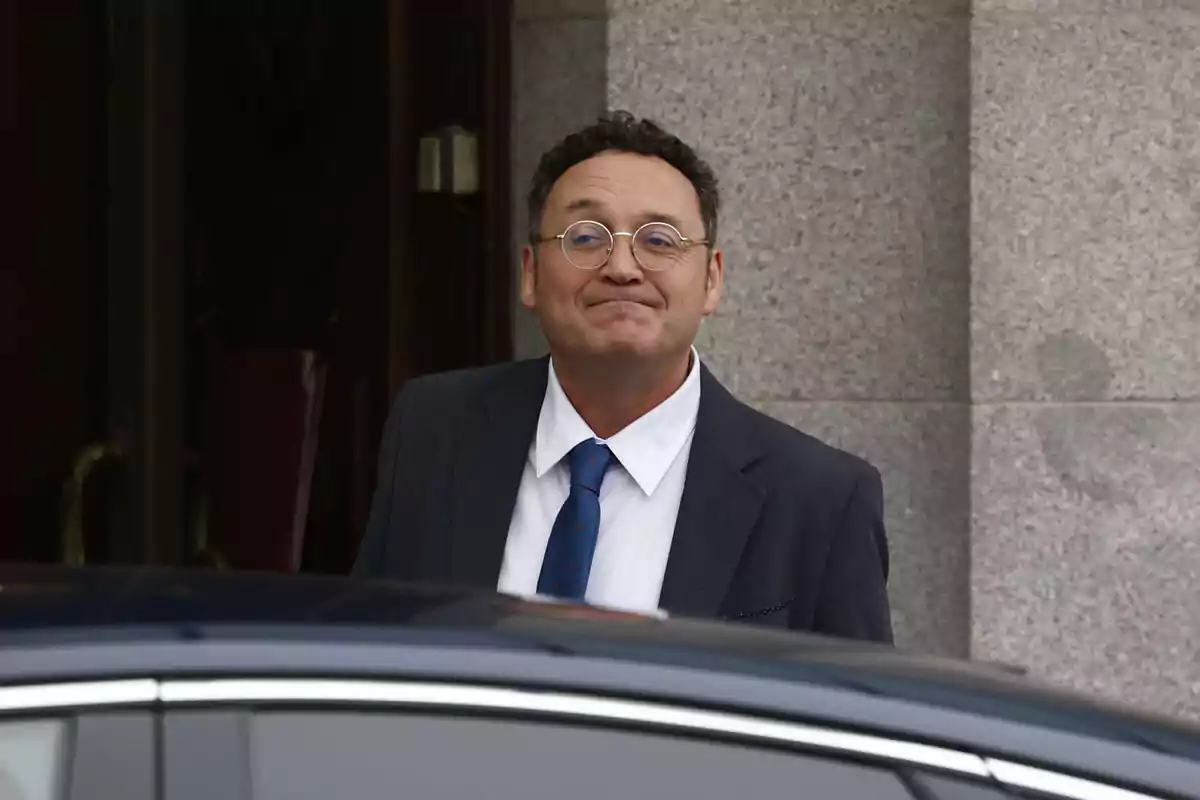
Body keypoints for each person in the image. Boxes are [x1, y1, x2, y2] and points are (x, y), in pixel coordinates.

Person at [354, 111, 893, 643]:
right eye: (586, 237)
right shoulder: (432, 431)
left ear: (711, 280)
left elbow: (856, 714)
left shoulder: (820, 500)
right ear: (530, 274)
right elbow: (369, 656)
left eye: (659, 240)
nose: (622, 267)